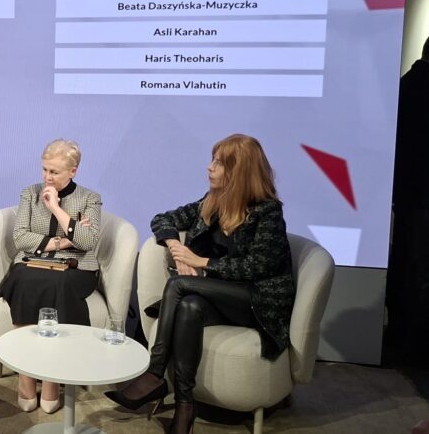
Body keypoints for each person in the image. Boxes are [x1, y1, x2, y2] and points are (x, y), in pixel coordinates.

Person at [105, 134, 294, 434]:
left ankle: (154, 375)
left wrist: (199, 261)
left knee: (179, 287)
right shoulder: (212, 202)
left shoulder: (268, 212)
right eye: (213, 160)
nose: (209, 168)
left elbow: (258, 267)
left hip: (257, 300)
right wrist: (175, 250)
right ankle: (184, 405)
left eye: (219, 164)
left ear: (238, 172)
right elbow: (162, 218)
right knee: (190, 305)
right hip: (218, 295)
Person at [0, 139, 102, 414]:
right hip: (33, 264)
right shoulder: (29, 194)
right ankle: (26, 376)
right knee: (23, 279)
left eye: (54, 172)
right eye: (44, 170)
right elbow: (20, 237)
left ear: (73, 171)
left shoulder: (90, 198)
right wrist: (65, 240)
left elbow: (88, 241)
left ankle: (52, 378)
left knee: (58, 282)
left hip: (76, 268)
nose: (47, 177)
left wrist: (56, 207)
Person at [388, 27, 429, 366]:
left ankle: (401, 334)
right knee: (426, 272)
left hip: (409, 195)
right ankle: (419, 347)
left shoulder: (407, 83)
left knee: (405, 268)